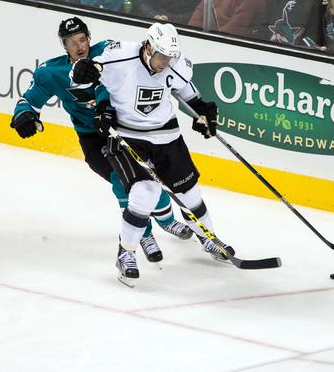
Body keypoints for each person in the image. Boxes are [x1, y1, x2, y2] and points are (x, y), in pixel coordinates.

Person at [10, 17, 194, 265]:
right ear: (64, 46)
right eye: (72, 42)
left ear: (89, 38)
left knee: (148, 178)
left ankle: (166, 220)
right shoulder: (51, 72)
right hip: (92, 138)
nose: (79, 46)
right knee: (125, 181)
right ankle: (146, 235)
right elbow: (29, 101)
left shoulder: (107, 54)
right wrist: (24, 116)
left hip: (123, 128)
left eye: (82, 39)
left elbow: (136, 59)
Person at [72, 22, 235, 286]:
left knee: (190, 194)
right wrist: (82, 71)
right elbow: (85, 77)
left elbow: (187, 93)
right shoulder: (119, 55)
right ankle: (126, 253)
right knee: (143, 193)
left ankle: (208, 238)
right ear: (148, 47)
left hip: (167, 137)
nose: (165, 63)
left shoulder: (174, 62)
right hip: (129, 137)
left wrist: (203, 110)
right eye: (161, 56)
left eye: (169, 57)